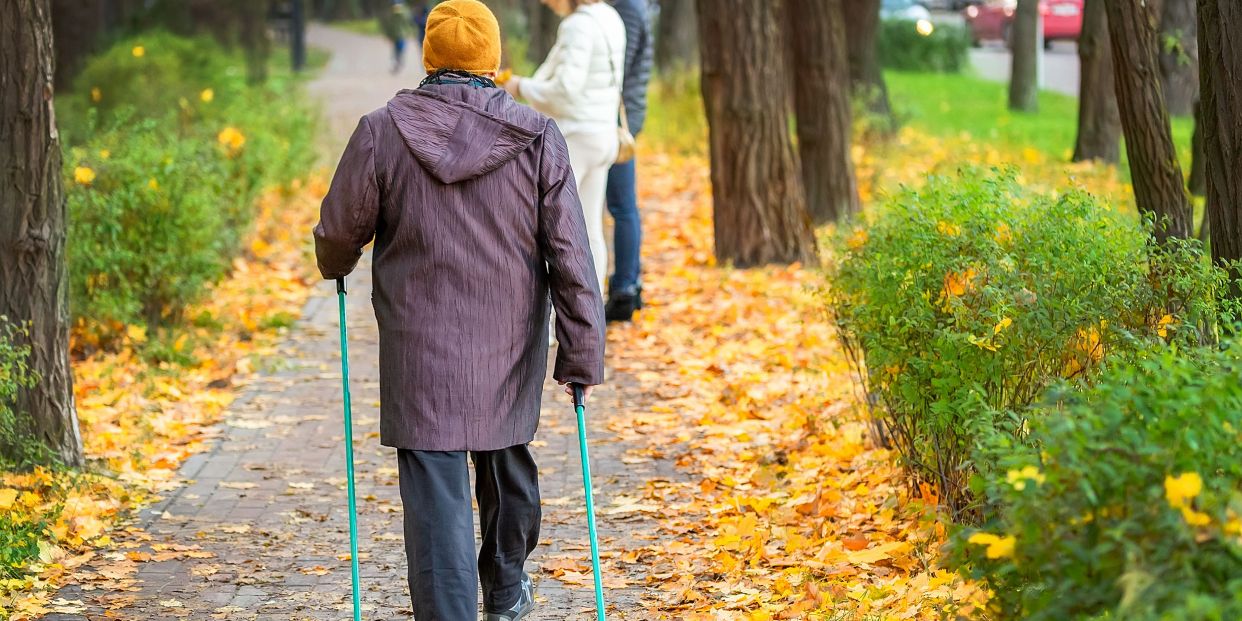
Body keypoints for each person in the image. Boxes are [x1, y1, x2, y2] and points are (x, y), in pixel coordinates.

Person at [313, 1, 606, 619]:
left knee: (436, 497)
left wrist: (335, 263)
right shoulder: (538, 136)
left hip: (420, 348)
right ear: (494, 61)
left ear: (428, 56)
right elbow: (572, 255)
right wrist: (579, 354)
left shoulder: (381, 130)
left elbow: (340, 230)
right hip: (507, 342)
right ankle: (505, 585)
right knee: (505, 459)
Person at [503, 0, 627, 295]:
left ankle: (545, 323)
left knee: (548, 230)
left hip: (576, 138)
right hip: (602, 135)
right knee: (590, 229)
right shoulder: (609, 17)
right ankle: (591, 314)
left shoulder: (577, 26)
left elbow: (565, 91)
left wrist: (520, 87)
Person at [602, 0, 652, 322]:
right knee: (623, 206)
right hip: (621, 118)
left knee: (621, 206)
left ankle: (625, 289)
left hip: (619, 122)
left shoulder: (628, 9)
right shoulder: (630, 6)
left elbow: (616, 70)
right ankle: (628, 284)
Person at [379, 0, 411, 74]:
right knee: (396, 50)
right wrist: (388, 35)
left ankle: (398, 63)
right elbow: (389, 26)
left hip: (401, 35)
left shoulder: (402, 13)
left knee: (400, 49)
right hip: (395, 35)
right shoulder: (392, 14)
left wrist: (408, 32)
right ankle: (397, 63)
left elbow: (406, 23)